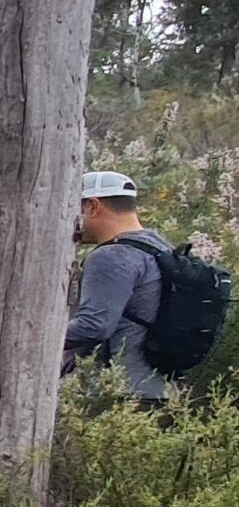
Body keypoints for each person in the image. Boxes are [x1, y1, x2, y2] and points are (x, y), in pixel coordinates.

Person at [64, 169, 175, 407]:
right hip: (159, 389)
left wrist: (30, 341)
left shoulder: (112, 256)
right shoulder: (160, 247)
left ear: (92, 206)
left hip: (116, 393)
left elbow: (93, 326)